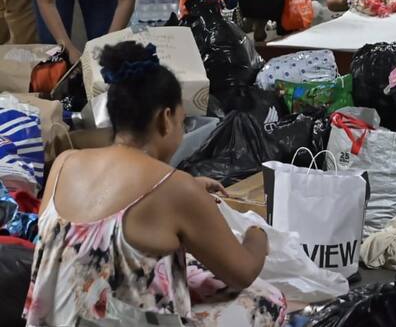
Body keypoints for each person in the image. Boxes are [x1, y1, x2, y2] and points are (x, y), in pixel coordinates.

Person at [24, 41, 286, 326]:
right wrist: (257, 234)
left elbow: (102, 226)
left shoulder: (65, 163)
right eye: (183, 122)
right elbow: (242, 272)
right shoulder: (175, 188)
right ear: (166, 118)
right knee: (266, 299)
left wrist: (184, 191)